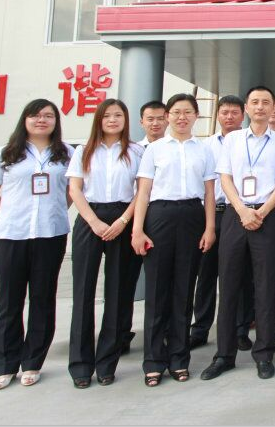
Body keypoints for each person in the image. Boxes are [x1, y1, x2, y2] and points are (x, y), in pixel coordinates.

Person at [201, 86, 275, 381]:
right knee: (228, 284)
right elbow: (224, 177)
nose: (261, 107)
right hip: (235, 215)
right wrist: (242, 210)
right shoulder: (233, 140)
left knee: (265, 286)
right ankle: (224, 355)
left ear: (274, 108)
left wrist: (261, 212)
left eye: (267, 102)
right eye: (255, 102)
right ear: (247, 108)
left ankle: (264, 354)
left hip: (267, 216)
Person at [0, 99, 73, 391]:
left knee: (43, 299)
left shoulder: (66, 154)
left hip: (50, 235)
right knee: (9, 301)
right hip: (11, 236)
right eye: (35, 115)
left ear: (56, 122)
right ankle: (5, 365)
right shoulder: (6, 153)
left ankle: (33, 362)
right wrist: (8, 217)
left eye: (48, 116)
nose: (41, 120)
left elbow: (72, 192)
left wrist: (55, 212)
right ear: (25, 120)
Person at [131, 93, 217, 387]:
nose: (182, 117)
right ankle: (153, 361)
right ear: (168, 116)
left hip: (192, 216)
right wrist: (138, 230)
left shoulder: (204, 150)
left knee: (184, 290)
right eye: (176, 112)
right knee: (157, 292)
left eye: (188, 112)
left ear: (196, 116)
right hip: (159, 216)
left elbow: (209, 193)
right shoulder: (154, 150)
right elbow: (143, 192)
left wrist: (209, 228)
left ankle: (179, 359)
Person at [67, 99, 143, 388]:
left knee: (118, 293)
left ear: (125, 119)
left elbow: (142, 191)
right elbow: (75, 189)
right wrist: (94, 222)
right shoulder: (83, 151)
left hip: (123, 217)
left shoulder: (135, 151)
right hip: (90, 218)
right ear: (98, 119)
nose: (112, 120)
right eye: (107, 115)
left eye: (118, 115)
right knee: (83, 293)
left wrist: (123, 221)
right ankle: (80, 365)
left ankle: (107, 363)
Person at [191, 96, 247, 350]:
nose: (229, 117)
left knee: (239, 274)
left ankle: (240, 329)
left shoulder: (248, 142)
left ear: (243, 115)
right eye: (225, 112)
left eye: (235, 112)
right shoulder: (206, 146)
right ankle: (200, 328)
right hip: (211, 214)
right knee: (206, 273)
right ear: (218, 114)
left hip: (239, 213)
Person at [120, 100, 167, 355]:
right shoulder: (133, 151)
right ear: (141, 122)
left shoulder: (173, 149)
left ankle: (164, 334)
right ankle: (122, 334)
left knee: (161, 283)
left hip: (160, 222)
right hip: (130, 221)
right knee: (125, 280)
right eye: (150, 119)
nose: (156, 123)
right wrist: (131, 223)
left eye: (160, 118)